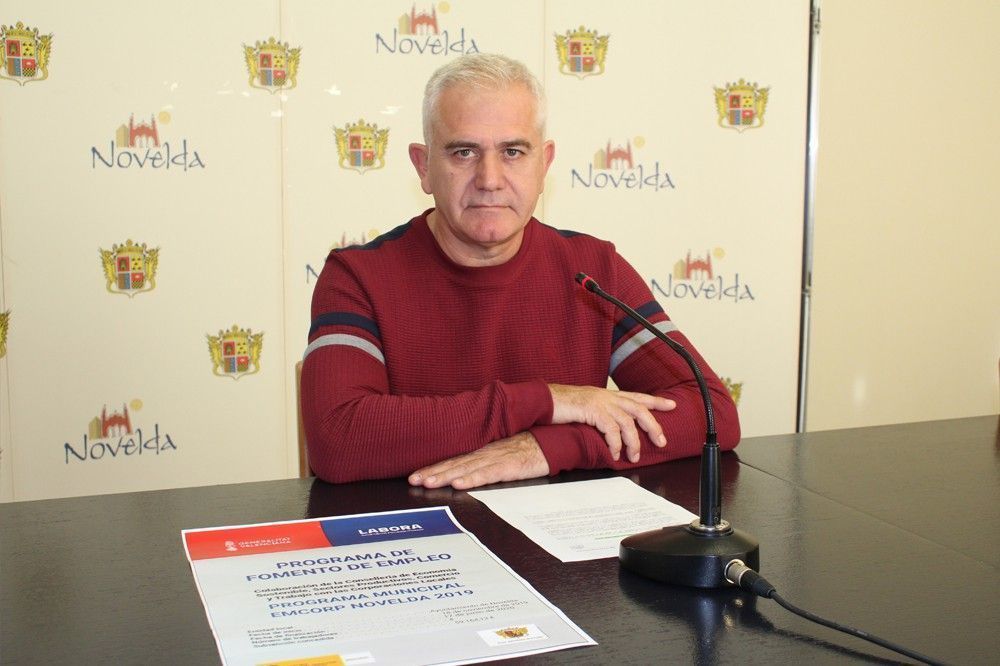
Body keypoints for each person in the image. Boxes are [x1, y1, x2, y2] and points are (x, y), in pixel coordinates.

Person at [301, 53, 739, 490]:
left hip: (557, 530)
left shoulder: (593, 270)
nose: (489, 179)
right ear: (423, 166)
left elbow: (712, 413)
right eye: (464, 152)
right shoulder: (357, 277)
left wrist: (549, 447)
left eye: (512, 152)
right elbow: (338, 439)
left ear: (544, 165)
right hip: (416, 528)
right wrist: (548, 400)